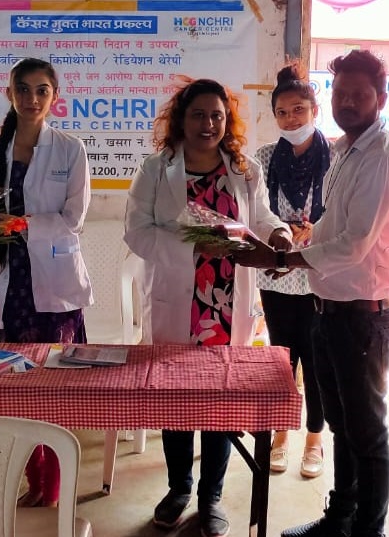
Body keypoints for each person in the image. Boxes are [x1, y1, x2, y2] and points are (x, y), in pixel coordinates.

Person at [235, 49, 389, 537]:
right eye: (341, 93)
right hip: (329, 308)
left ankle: (368, 530)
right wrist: (289, 240)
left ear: (381, 98)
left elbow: (354, 245)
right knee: (343, 426)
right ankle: (339, 520)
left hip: (361, 315)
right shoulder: (346, 152)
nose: (348, 102)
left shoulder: (381, 159)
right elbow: (329, 228)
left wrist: (282, 261)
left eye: (360, 94)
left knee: (368, 434)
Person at [124, 77, 291, 537]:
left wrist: (279, 233)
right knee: (176, 402)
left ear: (227, 120)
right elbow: (136, 232)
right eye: (198, 114)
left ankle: (210, 498)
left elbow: (261, 217)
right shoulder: (156, 169)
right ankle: (179, 488)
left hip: (228, 302)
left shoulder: (243, 169)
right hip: (179, 299)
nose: (208, 124)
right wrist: (194, 247)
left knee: (222, 403)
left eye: (217, 115)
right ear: (181, 119)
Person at [0, 57, 94, 508]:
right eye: (23, 89)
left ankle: (54, 482)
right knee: (13, 386)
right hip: (8, 283)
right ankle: (31, 476)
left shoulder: (70, 149)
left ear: (54, 97)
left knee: (53, 387)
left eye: (42, 90)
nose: (32, 98)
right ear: (9, 94)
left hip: (53, 287)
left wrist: (21, 224)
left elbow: (73, 218)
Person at [251, 65, 330, 479]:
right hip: (277, 274)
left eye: (299, 109)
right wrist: (282, 231)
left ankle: (315, 440)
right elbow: (256, 211)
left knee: (316, 362)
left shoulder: (335, 157)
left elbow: (342, 210)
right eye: (282, 113)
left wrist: (316, 228)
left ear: (315, 110)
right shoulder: (265, 158)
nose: (291, 119)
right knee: (282, 359)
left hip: (318, 274)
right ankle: (281, 435)